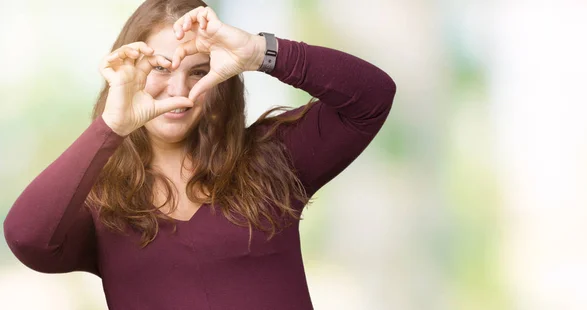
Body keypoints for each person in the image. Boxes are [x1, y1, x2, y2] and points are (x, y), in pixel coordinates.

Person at [3, 0, 396, 309]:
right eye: (160, 68)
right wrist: (111, 126)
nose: (179, 89)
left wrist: (259, 51)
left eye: (197, 71)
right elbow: (26, 237)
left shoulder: (273, 158)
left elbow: (371, 98)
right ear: (130, 70)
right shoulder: (102, 202)